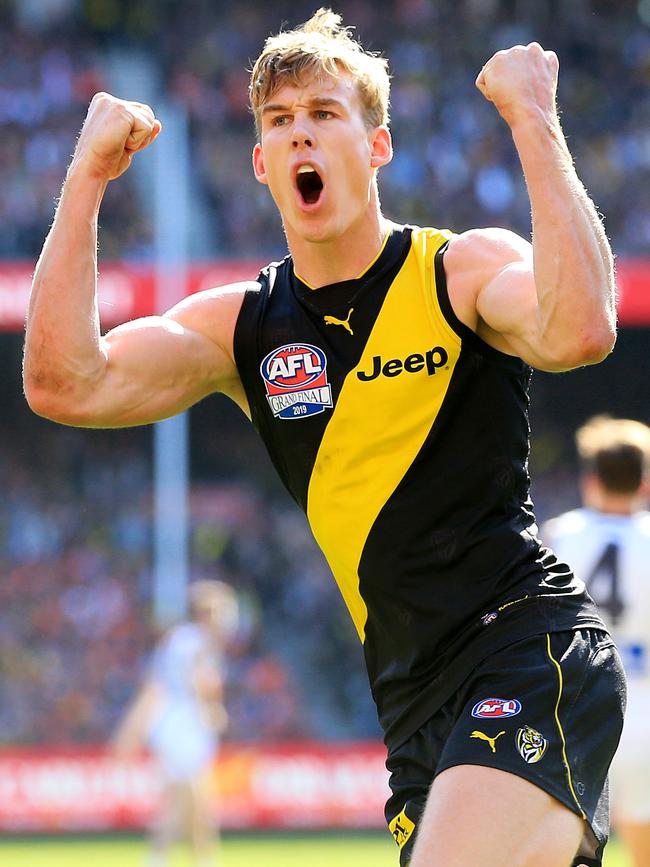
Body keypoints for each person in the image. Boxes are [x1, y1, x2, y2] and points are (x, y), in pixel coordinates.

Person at [22, 8, 625, 867]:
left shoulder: (457, 271)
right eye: (280, 122)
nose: (301, 134)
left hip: (526, 651)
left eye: (325, 114)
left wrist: (534, 117)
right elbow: (62, 382)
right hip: (414, 707)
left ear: (377, 146)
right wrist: (85, 175)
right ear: (263, 164)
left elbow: (580, 329)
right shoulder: (241, 327)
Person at [543, 417, 650, 867]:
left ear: (590, 479)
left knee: (564, 842)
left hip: (576, 702)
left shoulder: (557, 536)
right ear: (644, 482)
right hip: (644, 700)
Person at [112, 580, 239, 867]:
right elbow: (201, 681)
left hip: (173, 722)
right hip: (186, 723)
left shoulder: (179, 639)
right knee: (192, 796)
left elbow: (155, 683)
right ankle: (182, 857)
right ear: (207, 613)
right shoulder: (197, 642)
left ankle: (189, 856)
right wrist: (212, 708)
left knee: (187, 798)